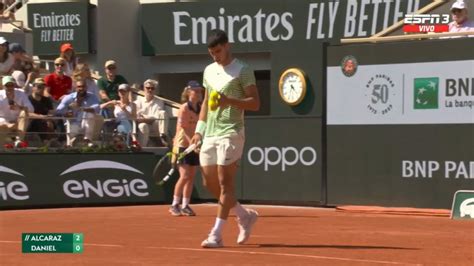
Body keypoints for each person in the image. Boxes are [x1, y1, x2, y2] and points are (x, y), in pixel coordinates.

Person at [190, 29, 260, 248]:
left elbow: (255, 103)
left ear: (227, 45)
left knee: (224, 182)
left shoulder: (243, 70)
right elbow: (205, 107)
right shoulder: (209, 71)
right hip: (210, 132)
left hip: (232, 130)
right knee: (208, 182)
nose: (215, 56)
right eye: (211, 52)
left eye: (218, 51)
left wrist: (228, 100)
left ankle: (216, 234)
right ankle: (243, 215)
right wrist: (199, 131)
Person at [169, 80, 203, 217]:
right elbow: (184, 129)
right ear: (189, 92)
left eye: (200, 91)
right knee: (184, 176)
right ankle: (174, 205)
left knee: (191, 176)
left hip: (194, 145)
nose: (198, 93)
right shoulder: (183, 108)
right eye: (195, 91)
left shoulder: (201, 108)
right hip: (182, 145)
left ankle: (185, 205)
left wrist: (197, 143)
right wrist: (193, 144)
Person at [56, 79, 100, 146]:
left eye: (83, 86)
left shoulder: (92, 96)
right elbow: (58, 110)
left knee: (90, 114)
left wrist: (81, 108)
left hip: (86, 124)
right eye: (79, 87)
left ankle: (87, 140)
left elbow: (97, 108)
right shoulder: (69, 98)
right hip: (73, 124)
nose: (81, 88)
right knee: (73, 131)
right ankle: (75, 143)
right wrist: (68, 109)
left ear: (86, 87)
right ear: (75, 88)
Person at [135, 79, 169, 147]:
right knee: (143, 125)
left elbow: (157, 118)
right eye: (148, 88)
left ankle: (163, 136)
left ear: (155, 90)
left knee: (163, 112)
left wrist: (145, 117)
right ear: (144, 89)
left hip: (156, 126)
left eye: (152, 88)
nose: (150, 90)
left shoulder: (160, 101)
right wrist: (149, 119)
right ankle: (142, 148)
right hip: (144, 125)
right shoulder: (138, 102)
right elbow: (137, 117)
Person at [0, 76, 33, 142]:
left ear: (14, 85)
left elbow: (31, 109)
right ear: (3, 86)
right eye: (7, 85)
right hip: (3, 122)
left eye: (11, 85)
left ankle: (19, 141)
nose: (10, 87)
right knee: (3, 126)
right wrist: (6, 123)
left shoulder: (21, 93)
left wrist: (19, 107)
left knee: (24, 112)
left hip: (19, 122)